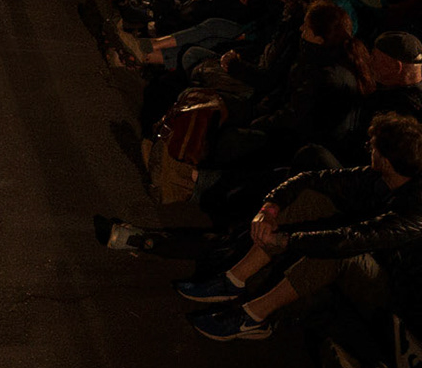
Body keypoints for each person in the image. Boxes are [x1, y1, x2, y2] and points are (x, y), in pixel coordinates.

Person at [180, 113, 422, 342]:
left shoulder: (416, 209)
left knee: (341, 251)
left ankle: (253, 316)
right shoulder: (379, 177)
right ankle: (234, 279)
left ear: (387, 161)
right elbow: (312, 178)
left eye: (373, 148)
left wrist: (286, 240)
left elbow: (351, 240)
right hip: (372, 256)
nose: (368, 150)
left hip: (393, 296)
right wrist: (269, 209)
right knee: (313, 199)